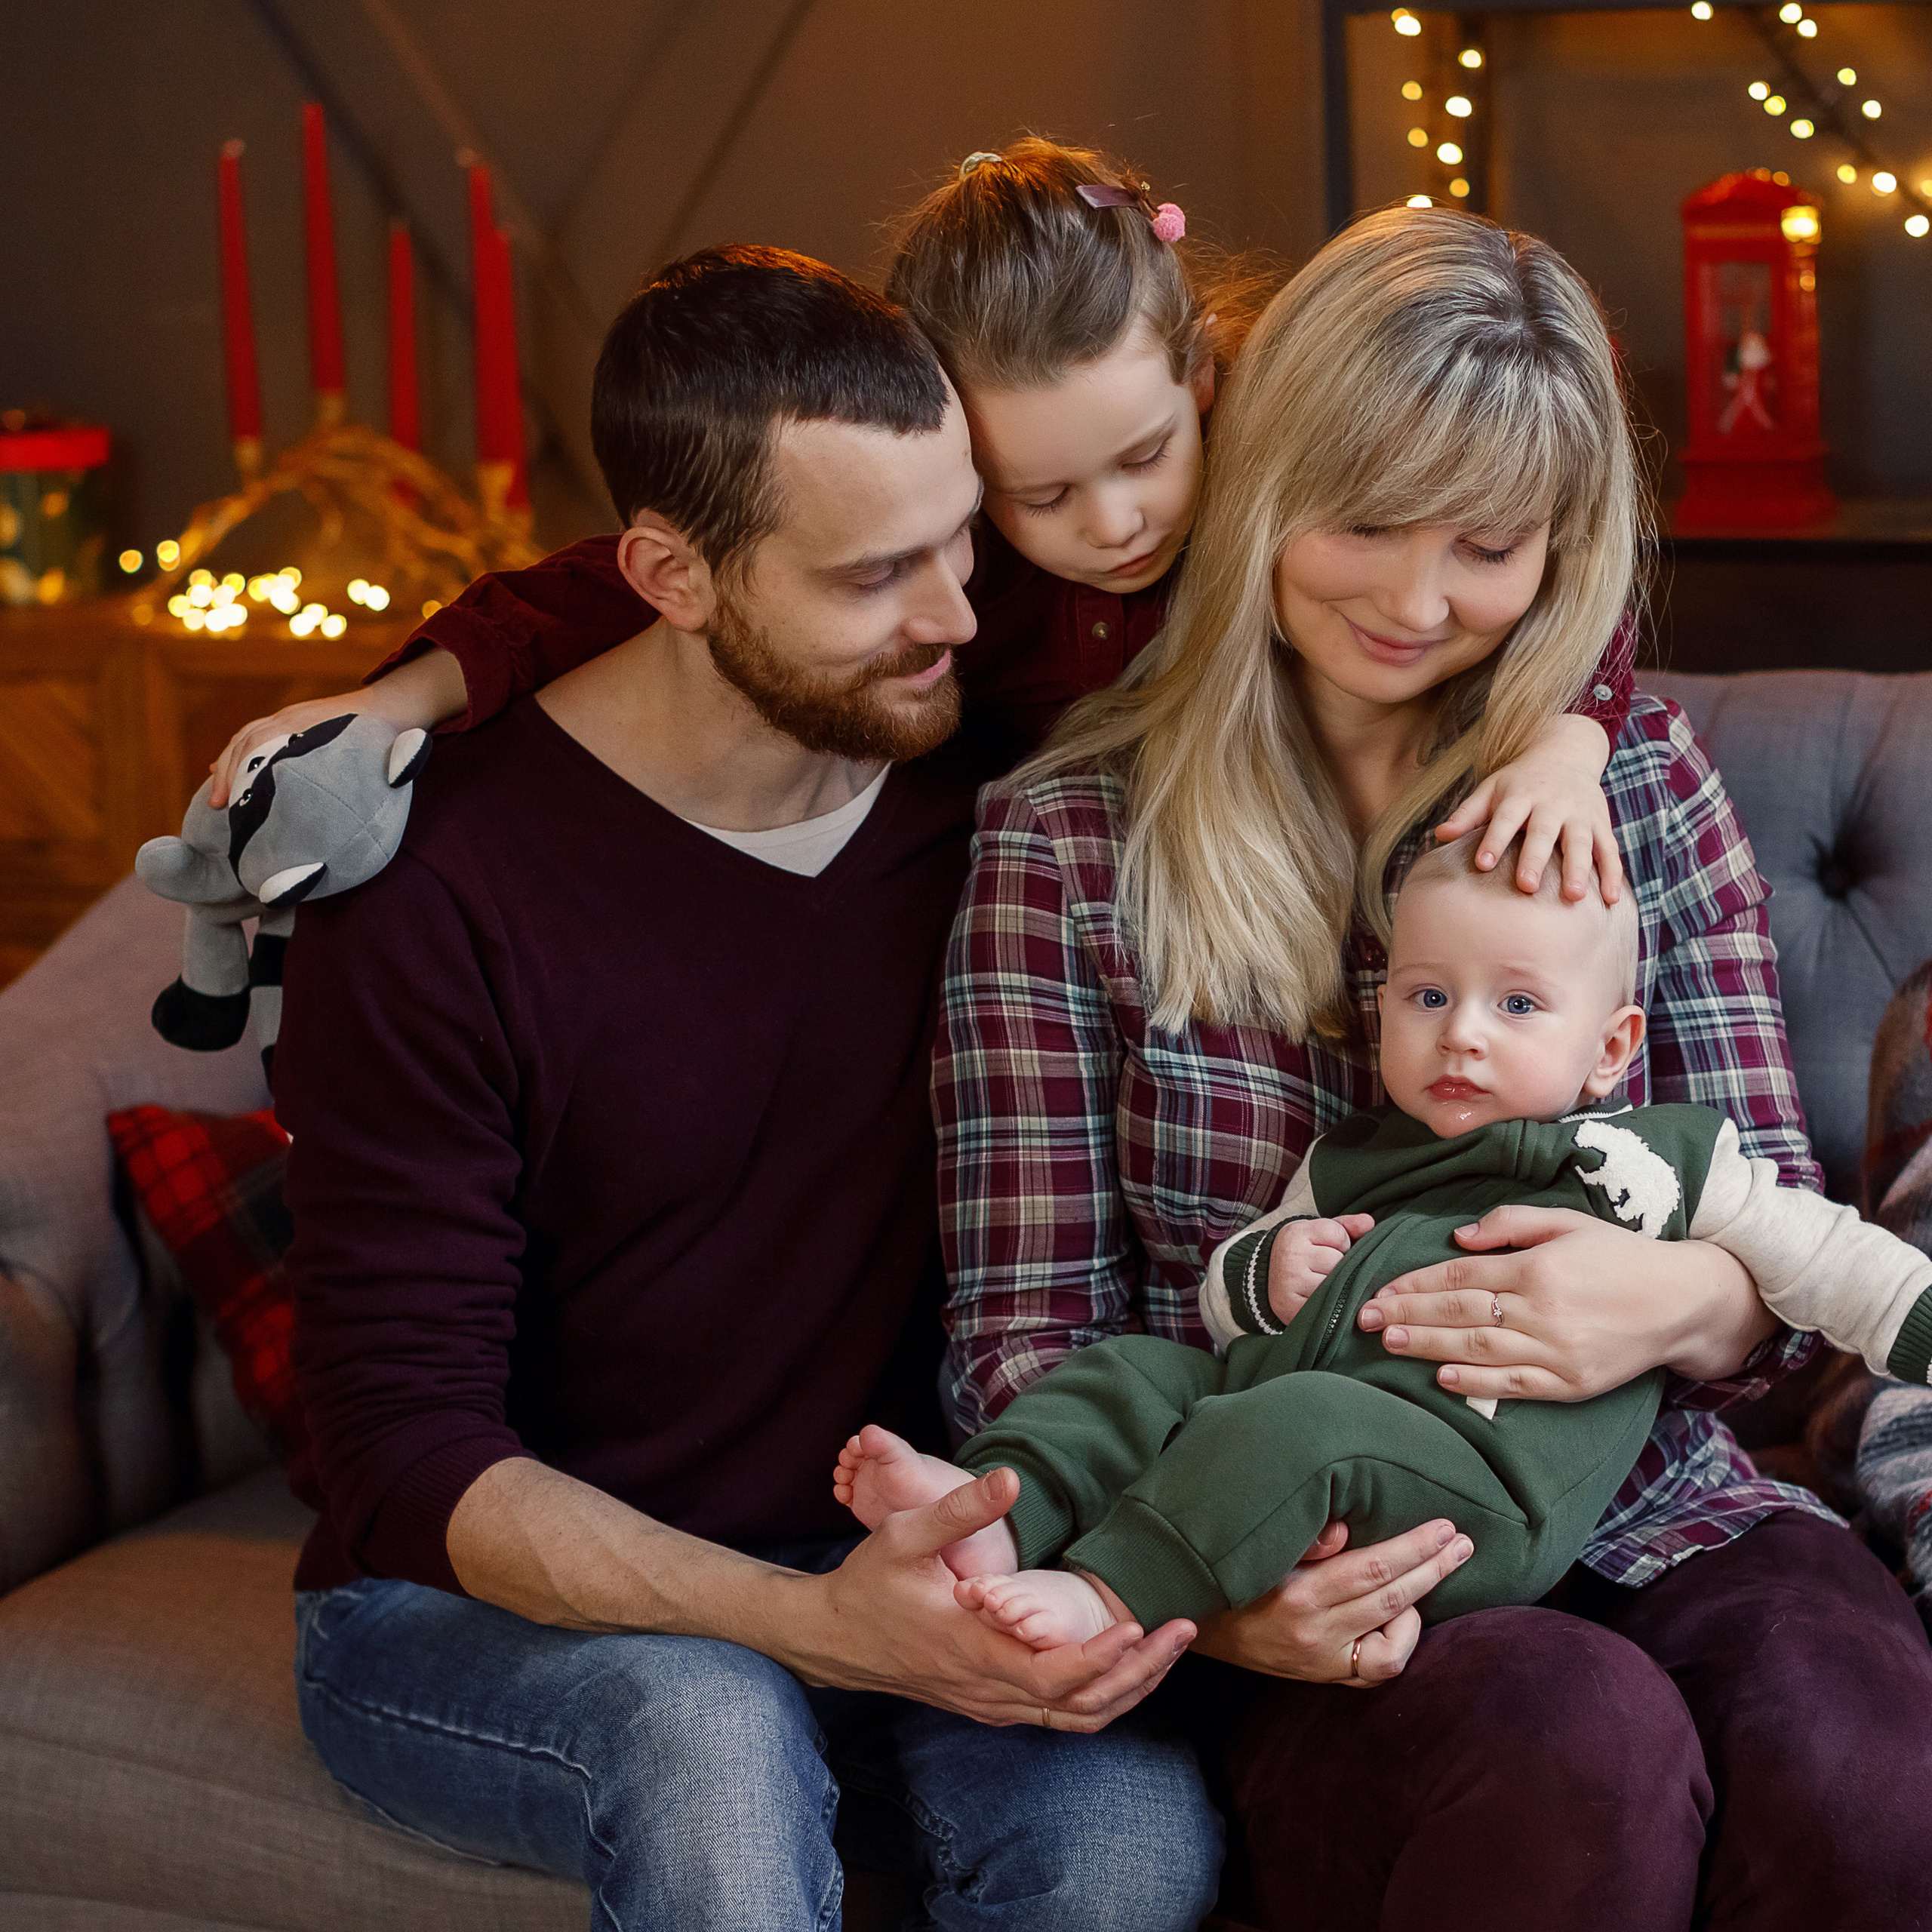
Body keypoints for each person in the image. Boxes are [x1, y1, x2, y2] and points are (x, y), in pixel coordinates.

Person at [933, 204, 1932, 1930]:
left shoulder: (1629, 784)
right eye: (1364, 521)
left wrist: (1664, 1307)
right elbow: (1019, 1331)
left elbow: (1773, 1219)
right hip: (1307, 1536)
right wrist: (1206, 1580)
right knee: (1566, 1753)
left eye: (1485, 545)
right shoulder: (1062, 841)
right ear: (1257, 479)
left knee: (1856, 1757)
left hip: (1652, 1489)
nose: (1415, 600)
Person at [275, 244, 1224, 1932]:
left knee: (1131, 1843)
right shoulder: (432, 894)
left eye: (961, 537)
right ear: (670, 574)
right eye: (875, 573)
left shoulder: (987, 759)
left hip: (918, 1557)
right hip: (476, 1616)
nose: (952, 607)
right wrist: (807, 1627)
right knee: (705, 1723)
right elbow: (400, 1447)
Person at [209, 140, 1631, 906]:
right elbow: (605, 589)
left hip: (1258, 872)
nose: (1120, 524)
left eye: (1146, 454)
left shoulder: (1287, 453)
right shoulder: (945, 564)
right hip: (1020, 906)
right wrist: (392, 696)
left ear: (1203, 373)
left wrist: (1574, 734)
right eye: (1038, 494)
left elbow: (1525, 534)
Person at [839, 829, 1932, 1650]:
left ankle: (1111, 1594)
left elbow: (1834, 1260)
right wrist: (1265, 1274)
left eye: (1516, 1005)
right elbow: (1230, 1298)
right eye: (1427, 995)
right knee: (1133, 1375)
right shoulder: (1352, 1155)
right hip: (1286, 1432)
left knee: (1301, 1423)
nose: (1460, 1032)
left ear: (1611, 1047)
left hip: (1482, 1494)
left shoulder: (1659, 1163)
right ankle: (997, 1514)